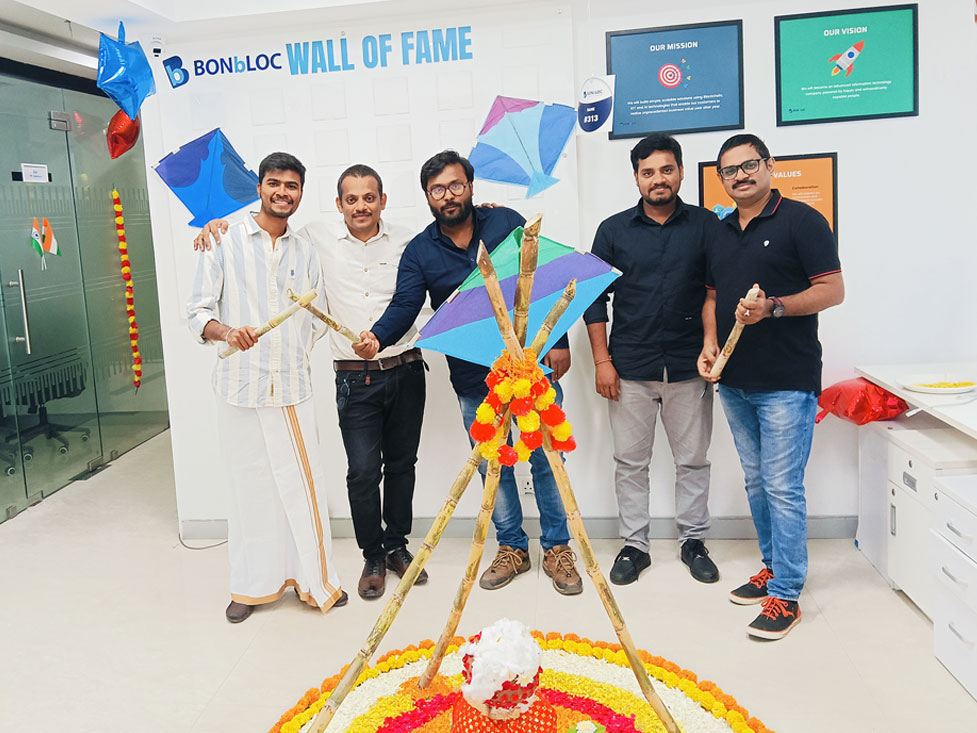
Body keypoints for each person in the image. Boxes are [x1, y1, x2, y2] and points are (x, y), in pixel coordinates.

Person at [353, 150, 584, 596]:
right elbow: (405, 305)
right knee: (492, 465)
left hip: (531, 368)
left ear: (471, 187)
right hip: (474, 379)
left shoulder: (506, 223)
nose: (448, 196)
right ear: (427, 197)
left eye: (456, 185)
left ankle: (558, 548)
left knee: (547, 460)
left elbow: (546, 279)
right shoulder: (420, 251)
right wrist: (378, 338)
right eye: (437, 189)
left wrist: (558, 341)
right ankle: (511, 547)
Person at [193, 165, 427, 602]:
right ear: (338, 204)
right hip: (354, 378)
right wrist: (217, 224)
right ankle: (372, 556)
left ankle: (397, 546)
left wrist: (484, 213)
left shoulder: (409, 240)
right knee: (362, 471)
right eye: (351, 199)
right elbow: (266, 227)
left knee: (402, 466)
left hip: (406, 367)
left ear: (383, 200)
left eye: (369, 198)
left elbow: (437, 262)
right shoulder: (314, 239)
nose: (361, 206)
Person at [187, 152, 346, 623]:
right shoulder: (223, 240)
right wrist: (226, 332)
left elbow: (314, 319)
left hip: (291, 388)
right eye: (274, 183)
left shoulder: (306, 249)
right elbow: (197, 312)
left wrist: (291, 353)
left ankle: (314, 582)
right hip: (239, 387)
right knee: (249, 490)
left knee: (304, 486)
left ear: (301, 193)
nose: (282, 192)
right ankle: (252, 586)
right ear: (259, 188)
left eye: (291, 185)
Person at [697, 133, 844, 640]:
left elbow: (833, 290)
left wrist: (774, 307)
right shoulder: (719, 231)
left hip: (786, 380)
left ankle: (787, 594)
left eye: (749, 165)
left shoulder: (803, 221)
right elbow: (712, 296)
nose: (740, 176)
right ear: (721, 178)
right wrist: (710, 343)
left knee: (782, 486)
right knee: (758, 482)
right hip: (735, 380)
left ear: (769, 165)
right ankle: (773, 566)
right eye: (730, 170)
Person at [584, 133, 719, 587]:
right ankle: (635, 546)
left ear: (680, 171)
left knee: (693, 461)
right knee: (630, 463)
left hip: (690, 366)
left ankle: (693, 541)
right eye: (648, 172)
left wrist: (712, 345)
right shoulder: (613, 230)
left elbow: (716, 291)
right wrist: (602, 362)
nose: (657, 179)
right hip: (630, 367)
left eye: (666, 170)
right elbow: (593, 298)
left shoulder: (706, 226)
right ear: (636, 177)